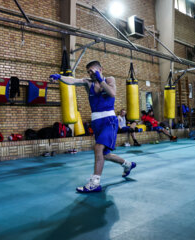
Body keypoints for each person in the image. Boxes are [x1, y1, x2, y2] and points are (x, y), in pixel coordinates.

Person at [50, 60, 136, 193]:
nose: (90, 73)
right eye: (88, 71)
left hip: (109, 120)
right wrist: (60, 77)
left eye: (92, 71)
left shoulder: (109, 80)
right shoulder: (88, 82)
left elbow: (112, 93)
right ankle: (127, 164)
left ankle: (95, 182)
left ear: (100, 69)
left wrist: (101, 80)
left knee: (97, 148)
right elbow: (73, 81)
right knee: (104, 154)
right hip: (96, 122)